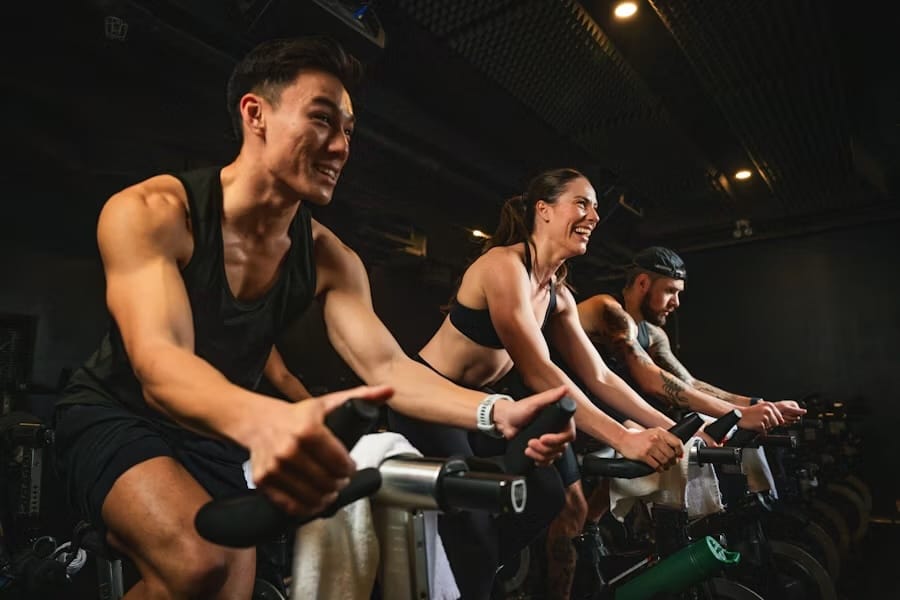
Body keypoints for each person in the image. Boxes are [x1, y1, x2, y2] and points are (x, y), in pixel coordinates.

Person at [52, 36, 574, 600]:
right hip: (117, 412)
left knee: (231, 589)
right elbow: (159, 364)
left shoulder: (330, 258)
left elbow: (387, 366)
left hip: (215, 432)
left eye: (349, 130)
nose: (341, 146)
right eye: (323, 119)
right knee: (194, 564)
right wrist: (267, 422)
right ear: (256, 115)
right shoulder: (153, 213)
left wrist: (497, 412)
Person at [389, 169, 686, 600]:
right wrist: (623, 438)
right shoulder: (502, 266)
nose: (594, 216)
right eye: (582, 203)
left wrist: (676, 429)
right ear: (543, 211)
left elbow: (598, 376)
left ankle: (472, 569)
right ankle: (468, 567)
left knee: (546, 495)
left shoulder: (558, 295)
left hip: (482, 410)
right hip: (431, 401)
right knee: (475, 534)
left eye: (596, 207)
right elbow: (538, 370)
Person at [576, 246, 806, 433]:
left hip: (613, 414)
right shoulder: (606, 308)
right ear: (643, 283)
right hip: (574, 413)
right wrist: (738, 414)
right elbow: (650, 380)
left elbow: (689, 384)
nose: (676, 303)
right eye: (669, 291)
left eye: (678, 293)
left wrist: (756, 404)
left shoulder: (654, 335)